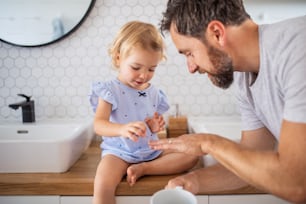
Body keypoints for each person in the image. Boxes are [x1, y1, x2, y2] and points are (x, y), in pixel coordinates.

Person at [149, 0, 306, 203]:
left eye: (189, 53)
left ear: (217, 33)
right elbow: (251, 158)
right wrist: (192, 181)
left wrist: (209, 143)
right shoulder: (244, 77)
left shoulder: (297, 49)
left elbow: (296, 182)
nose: (191, 67)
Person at [89, 21, 198, 204]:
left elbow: (148, 124)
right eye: (136, 68)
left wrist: (154, 126)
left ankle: (145, 168)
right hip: (118, 153)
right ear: (118, 59)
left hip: (150, 150)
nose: (143, 75)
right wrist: (122, 129)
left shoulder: (154, 93)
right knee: (102, 185)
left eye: (151, 69)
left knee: (191, 154)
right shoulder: (109, 90)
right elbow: (99, 125)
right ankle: (140, 167)